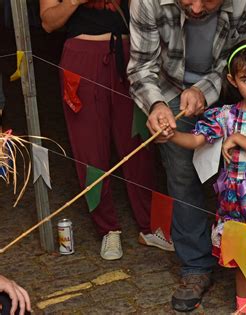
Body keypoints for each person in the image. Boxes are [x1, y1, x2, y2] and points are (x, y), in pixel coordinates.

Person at [126, 0, 246, 312]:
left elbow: (245, 57)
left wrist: (205, 89)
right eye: (187, 0)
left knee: (242, 178)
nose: (198, 8)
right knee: (182, 175)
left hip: (232, 88)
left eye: (209, 0)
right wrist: (157, 105)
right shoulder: (146, 2)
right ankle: (195, 266)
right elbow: (141, 66)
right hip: (170, 90)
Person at [159, 39, 246, 315]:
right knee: (241, 263)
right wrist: (173, 135)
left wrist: (236, 138)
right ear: (233, 80)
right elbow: (198, 140)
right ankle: (243, 308)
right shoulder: (224, 115)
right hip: (234, 205)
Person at [39, 0, 166, 261]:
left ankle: (152, 226)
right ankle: (107, 228)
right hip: (81, 58)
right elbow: (48, 23)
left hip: (130, 54)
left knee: (140, 143)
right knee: (90, 148)